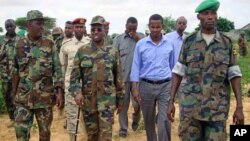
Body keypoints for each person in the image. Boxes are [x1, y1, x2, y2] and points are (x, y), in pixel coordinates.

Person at [167, 0, 245, 140]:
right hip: (191, 109)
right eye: (206, 13)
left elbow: (234, 75)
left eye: (213, 13)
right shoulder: (189, 42)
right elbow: (178, 72)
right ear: (199, 17)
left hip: (217, 110)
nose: (210, 17)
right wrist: (171, 101)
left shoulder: (226, 43)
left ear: (216, 16)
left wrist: (239, 106)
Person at [69, 15, 124, 141]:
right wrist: (77, 93)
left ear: (104, 30)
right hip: (89, 102)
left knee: (106, 137)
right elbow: (74, 78)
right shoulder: (82, 51)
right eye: (93, 29)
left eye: (99, 29)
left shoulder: (112, 52)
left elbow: (119, 78)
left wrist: (120, 100)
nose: (96, 32)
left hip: (107, 102)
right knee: (92, 136)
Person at [12, 10, 64, 141]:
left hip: (44, 98)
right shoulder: (18, 45)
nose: (42, 27)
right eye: (38, 23)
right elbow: (14, 71)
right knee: (20, 132)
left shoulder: (49, 44)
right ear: (29, 25)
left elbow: (57, 69)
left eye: (43, 24)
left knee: (45, 135)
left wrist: (59, 92)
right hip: (24, 98)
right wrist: (14, 94)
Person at [130, 14, 174, 141]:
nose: (155, 30)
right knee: (148, 120)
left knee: (164, 120)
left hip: (165, 86)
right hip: (146, 86)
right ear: (149, 27)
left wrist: (172, 90)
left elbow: (172, 66)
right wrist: (135, 88)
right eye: (152, 27)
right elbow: (136, 66)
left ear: (162, 27)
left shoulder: (169, 44)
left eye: (158, 27)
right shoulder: (141, 44)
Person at [113, 17, 144, 138]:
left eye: (134, 29)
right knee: (123, 104)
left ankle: (136, 120)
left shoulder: (142, 37)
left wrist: (137, 39)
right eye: (129, 28)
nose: (131, 31)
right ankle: (123, 128)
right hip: (123, 78)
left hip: (138, 79)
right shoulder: (119, 39)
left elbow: (147, 50)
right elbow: (114, 58)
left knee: (137, 103)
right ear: (125, 26)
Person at [59, 17, 90, 141]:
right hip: (71, 87)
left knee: (89, 118)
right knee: (72, 117)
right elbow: (63, 67)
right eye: (76, 27)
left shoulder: (90, 43)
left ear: (84, 28)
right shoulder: (66, 45)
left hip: (87, 87)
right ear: (72, 28)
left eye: (81, 27)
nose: (78, 29)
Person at [0, 19, 20, 127]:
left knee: (17, 95)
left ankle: (18, 118)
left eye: (11, 26)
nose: (9, 28)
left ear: (15, 26)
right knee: (7, 96)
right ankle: (12, 118)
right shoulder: (2, 40)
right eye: (7, 27)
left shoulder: (20, 39)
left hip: (17, 75)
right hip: (5, 74)